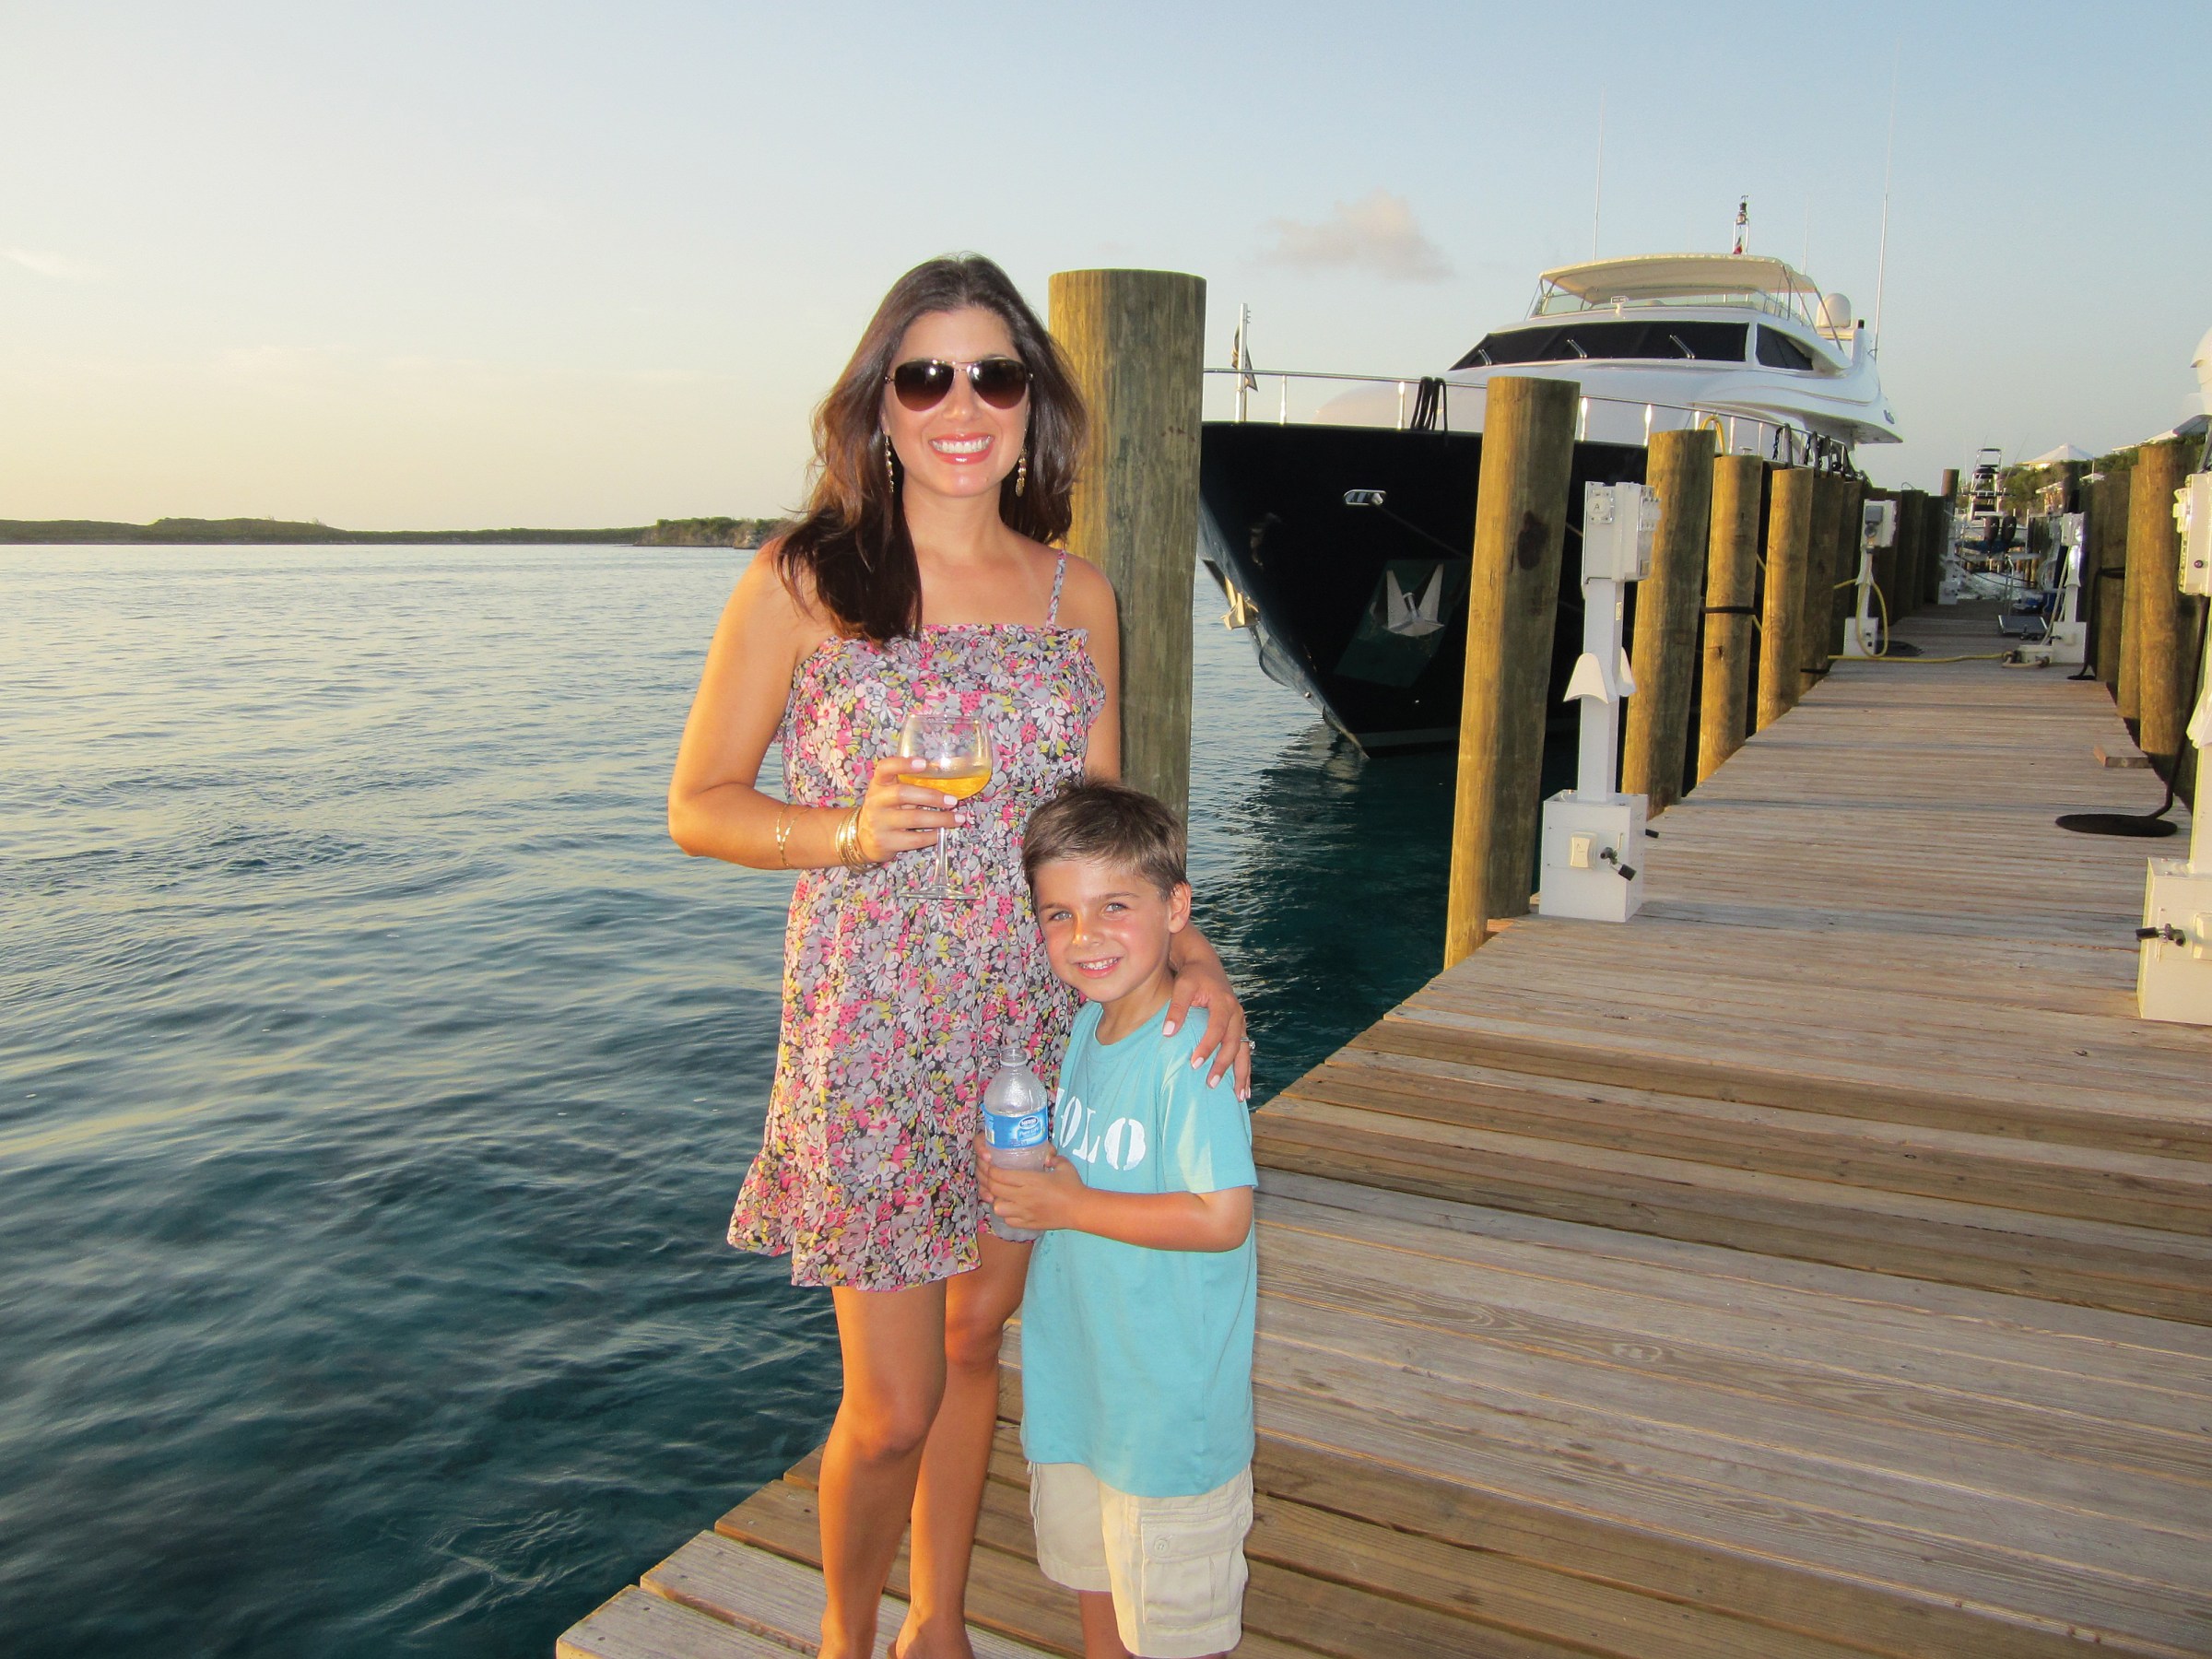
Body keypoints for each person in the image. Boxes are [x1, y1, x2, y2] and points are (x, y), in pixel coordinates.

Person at [666, 253, 1251, 1659]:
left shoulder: (1075, 596)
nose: (961, 403)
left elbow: (1108, 834)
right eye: (926, 375)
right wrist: (849, 835)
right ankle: (844, 1634)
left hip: (1026, 1028)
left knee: (982, 1339)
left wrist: (1200, 955)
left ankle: (939, 1618)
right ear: (880, 402)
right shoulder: (808, 579)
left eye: (995, 373)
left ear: (1033, 402)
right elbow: (701, 807)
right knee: (894, 1403)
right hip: (871, 1030)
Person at [984, 782, 1256, 1659]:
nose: (1085, 936)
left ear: (1177, 908)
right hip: (1086, 1395)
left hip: (1166, 1421)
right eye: (1058, 915)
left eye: (1114, 906)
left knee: (1176, 1637)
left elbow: (1223, 1217)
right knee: (1097, 1592)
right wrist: (1044, 1184)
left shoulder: (1191, 1051)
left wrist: (1070, 1203)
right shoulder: (1088, 1031)